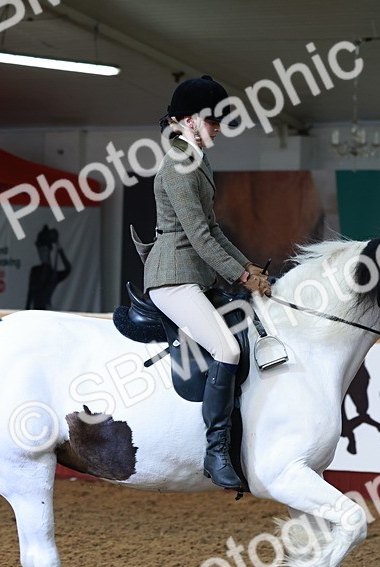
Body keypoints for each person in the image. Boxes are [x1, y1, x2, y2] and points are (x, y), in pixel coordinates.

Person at [145, 75, 271, 491]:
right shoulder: (180, 165)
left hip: (195, 275)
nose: (218, 127)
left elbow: (214, 231)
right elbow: (197, 237)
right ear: (186, 121)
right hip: (173, 277)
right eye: (211, 120)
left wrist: (249, 265)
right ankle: (215, 451)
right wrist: (240, 276)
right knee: (227, 347)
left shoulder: (197, 159)